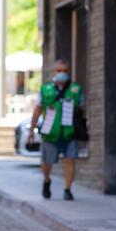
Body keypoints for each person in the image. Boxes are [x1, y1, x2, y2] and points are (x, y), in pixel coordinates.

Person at [28, 59, 84, 201]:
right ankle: (47, 180)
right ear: (54, 72)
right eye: (59, 71)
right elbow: (38, 110)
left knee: (69, 160)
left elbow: (81, 109)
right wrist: (31, 130)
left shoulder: (75, 89)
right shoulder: (46, 89)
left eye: (65, 71)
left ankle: (67, 189)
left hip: (68, 132)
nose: (62, 74)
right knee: (47, 162)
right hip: (50, 132)